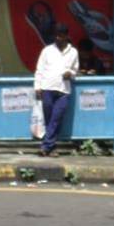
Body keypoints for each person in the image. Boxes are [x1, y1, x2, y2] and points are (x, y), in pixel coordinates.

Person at [34, 24, 79, 157]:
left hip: (64, 91)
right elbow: (39, 70)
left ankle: (45, 146)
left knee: (55, 118)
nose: (58, 38)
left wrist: (70, 73)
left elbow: (75, 70)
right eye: (56, 35)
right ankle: (51, 147)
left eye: (61, 35)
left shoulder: (73, 52)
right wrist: (37, 86)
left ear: (66, 36)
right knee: (49, 119)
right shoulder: (47, 50)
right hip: (47, 88)